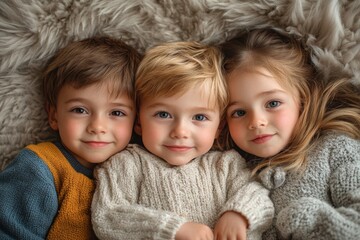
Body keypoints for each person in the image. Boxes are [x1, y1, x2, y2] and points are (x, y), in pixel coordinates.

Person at [91, 41, 274, 240]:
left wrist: (239, 213)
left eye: (199, 117)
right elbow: (108, 216)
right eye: (163, 115)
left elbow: (258, 192)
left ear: (218, 128)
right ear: (139, 122)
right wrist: (172, 229)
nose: (180, 132)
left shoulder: (226, 165)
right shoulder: (126, 165)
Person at [220, 28, 360, 240]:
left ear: (302, 98)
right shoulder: (235, 173)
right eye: (239, 112)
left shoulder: (337, 150)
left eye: (273, 103)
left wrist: (306, 218)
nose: (257, 121)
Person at [0, 37, 141, 239]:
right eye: (80, 110)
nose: (97, 127)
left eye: (117, 113)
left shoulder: (137, 169)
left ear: (137, 120)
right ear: (54, 115)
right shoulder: (39, 169)